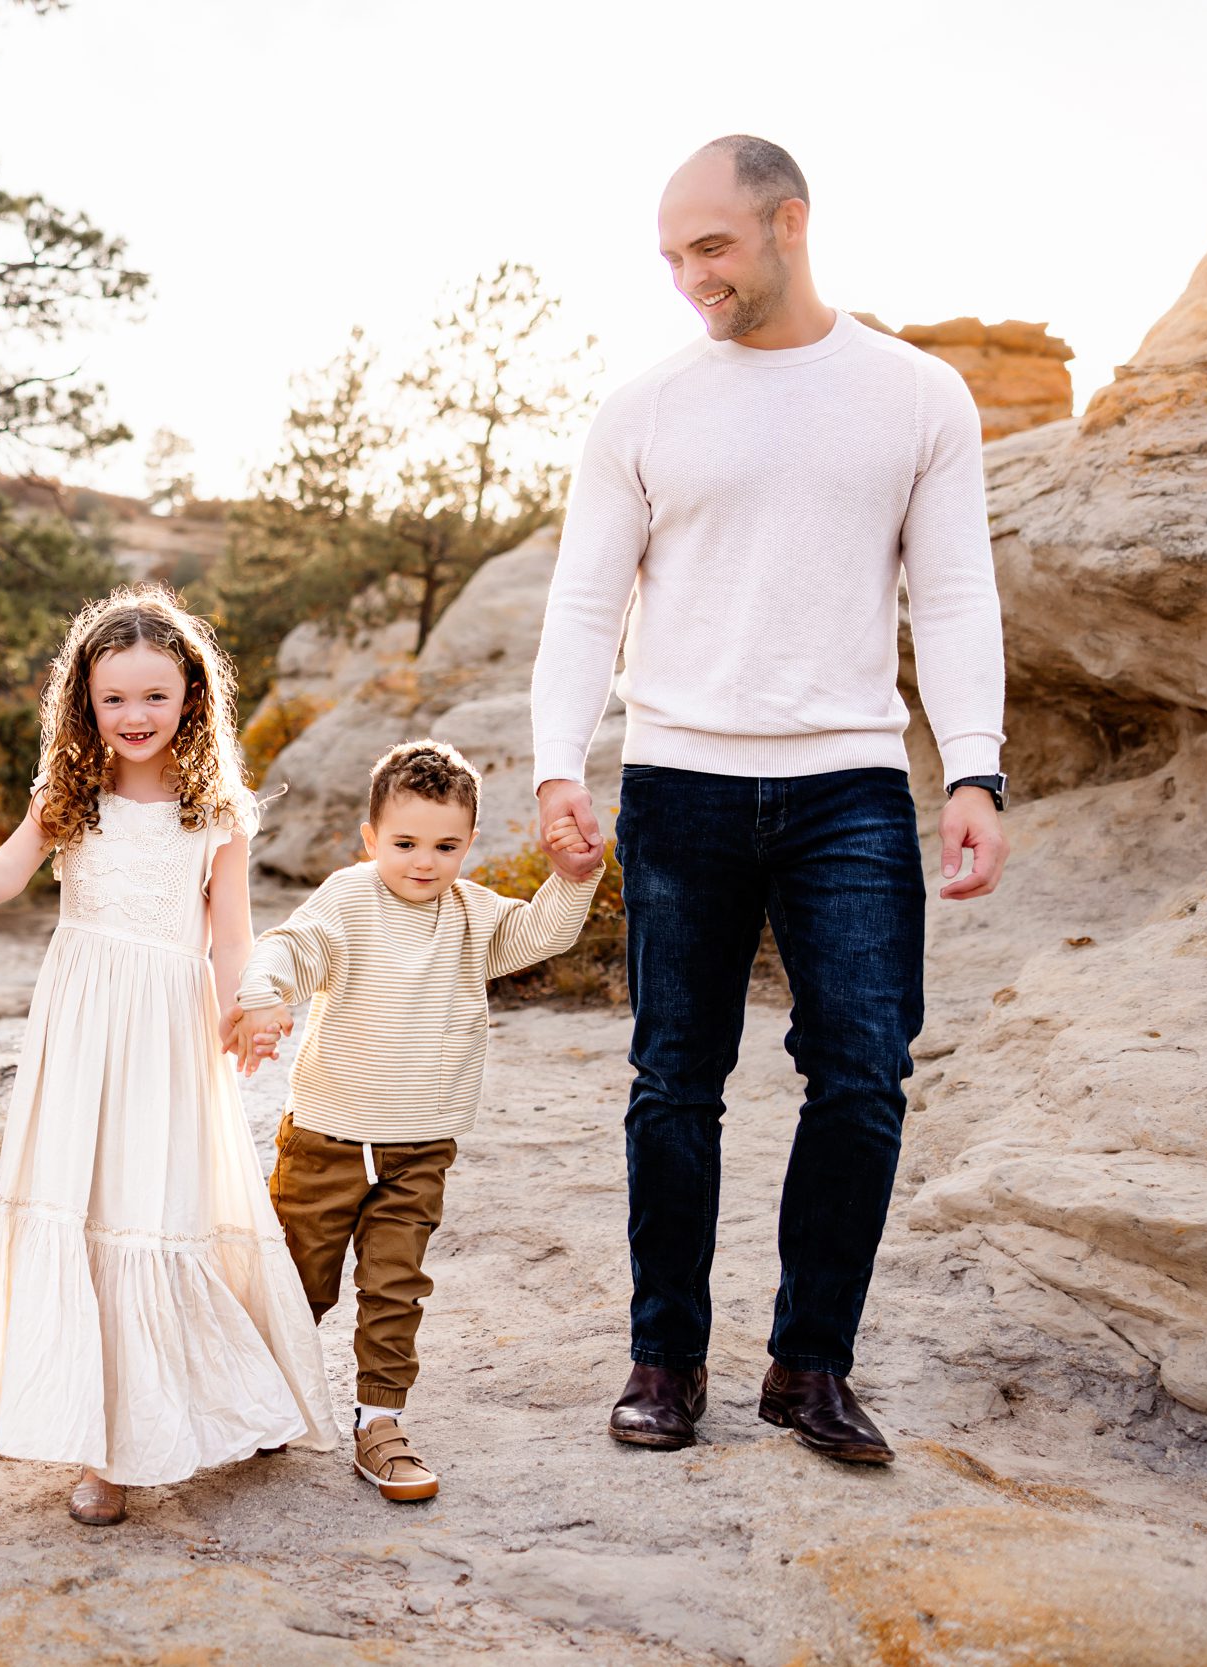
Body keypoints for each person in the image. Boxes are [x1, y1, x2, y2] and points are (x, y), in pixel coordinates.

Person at [529, 136, 1010, 1464]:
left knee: (862, 1071)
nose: (689, 278)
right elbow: (584, 601)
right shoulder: (644, 409)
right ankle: (663, 1358)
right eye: (671, 257)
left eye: (713, 248)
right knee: (675, 1076)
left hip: (849, 785)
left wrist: (974, 762)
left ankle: (810, 1365)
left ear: (790, 222)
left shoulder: (916, 395)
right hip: (679, 778)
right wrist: (560, 763)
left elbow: (956, 592)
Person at [0, 585, 338, 1526]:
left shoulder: (213, 810)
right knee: (90, 1213)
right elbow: (4, 876)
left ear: (191, 699)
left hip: (170, 1036)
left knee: (158, 1211)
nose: (135, 717)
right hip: (82, 1031)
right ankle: (104, 1447)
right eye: (114, 699)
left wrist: (247, 1010)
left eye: (155, 697)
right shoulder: (69, 798)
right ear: (85, 704)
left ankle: (201, 1407)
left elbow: (230, 937)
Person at [226, 741, 601, 1500]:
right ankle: (263, 1397)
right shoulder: (349, 899)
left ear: (469, 843)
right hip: (327, 1139)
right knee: (301, 1283)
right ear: (371, 839)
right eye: (404, 843)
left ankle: (380, 1421)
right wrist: (265, 994)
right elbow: (293, 948)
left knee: (396, 1288)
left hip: (420, 1146)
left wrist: (572, 880)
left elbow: (540, 934)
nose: (424, 863)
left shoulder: (470, 913)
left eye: (445, 845)